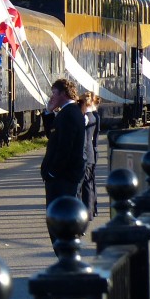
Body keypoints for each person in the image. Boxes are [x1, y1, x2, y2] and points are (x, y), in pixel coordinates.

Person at [40, 78, 87, 212]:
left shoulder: (69, 115)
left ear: (63, 94)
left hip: (63, 178)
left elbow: (65, 147)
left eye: (54, 93)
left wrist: (53, 172)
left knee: (60, 216)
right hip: (63, 176)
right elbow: (53, 136)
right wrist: (49, 112)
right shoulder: (68, 112)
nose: (52, 97)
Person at [79, 91, 101, 217]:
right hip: (92, 152)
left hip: (86, 153)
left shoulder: (87, 118)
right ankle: (92, 208)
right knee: (90, 182)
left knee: (86, 184)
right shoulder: (94, 116)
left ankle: (88, 211)